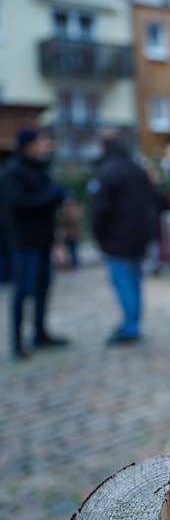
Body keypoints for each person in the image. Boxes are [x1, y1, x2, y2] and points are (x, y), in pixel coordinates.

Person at [5, 129, 69, 359]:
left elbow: (54, 197)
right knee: (23, 291)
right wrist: (52, 196)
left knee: (43, 288)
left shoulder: (41, 169)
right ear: (28, 145)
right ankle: (17, 341)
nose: (47, 145)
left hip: (43, 241)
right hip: (24, 242)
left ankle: (40, 333)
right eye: (42, 142)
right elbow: (19, 203)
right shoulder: (13, 172)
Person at [89, 132, 157, 344]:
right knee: (134, 281)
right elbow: (153, 201)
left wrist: (98, 236)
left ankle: (130, 327)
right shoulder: (137, 170)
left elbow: (99, 210)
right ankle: (133, 322)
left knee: (123, 282)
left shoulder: (106, 172)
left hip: (116, 238)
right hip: (139, 235)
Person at [60, 196, 83, 268]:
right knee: (70, 248)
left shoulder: (76, 210)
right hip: (67, 234)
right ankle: (72, 262)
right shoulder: (64, 210)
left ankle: (75, 262)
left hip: (74, 233)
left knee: (74, 248)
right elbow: (62, 220)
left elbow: (74, 220)